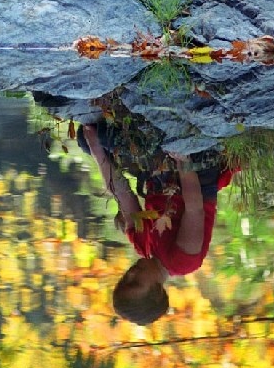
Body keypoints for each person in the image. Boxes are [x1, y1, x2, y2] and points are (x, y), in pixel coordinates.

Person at [80, 122, 236, 325]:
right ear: (156, 293)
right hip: (195, 175)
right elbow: (194, 207)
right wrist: (183, 159)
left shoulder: (141, 245)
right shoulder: (183, 262)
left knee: (88, 142)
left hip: (158, 174)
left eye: (124, 279)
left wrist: (97, 153)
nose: (131, 273)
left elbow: (122, 194)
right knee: (107, 137)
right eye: (135, 282)